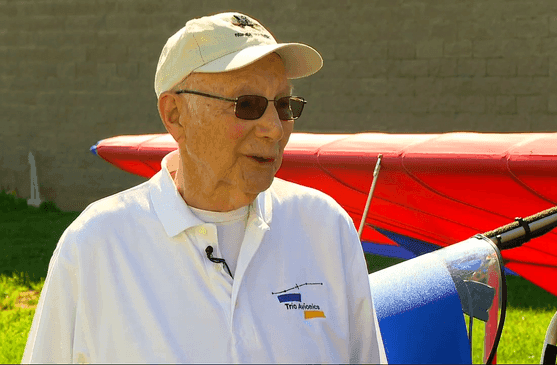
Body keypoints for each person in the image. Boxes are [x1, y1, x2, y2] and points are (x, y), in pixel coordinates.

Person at [22, 11, 386, 364]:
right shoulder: (96, 246)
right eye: (248, 105)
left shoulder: (326, 228)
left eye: (283, 104)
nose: (274, 128)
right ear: (174, 115)